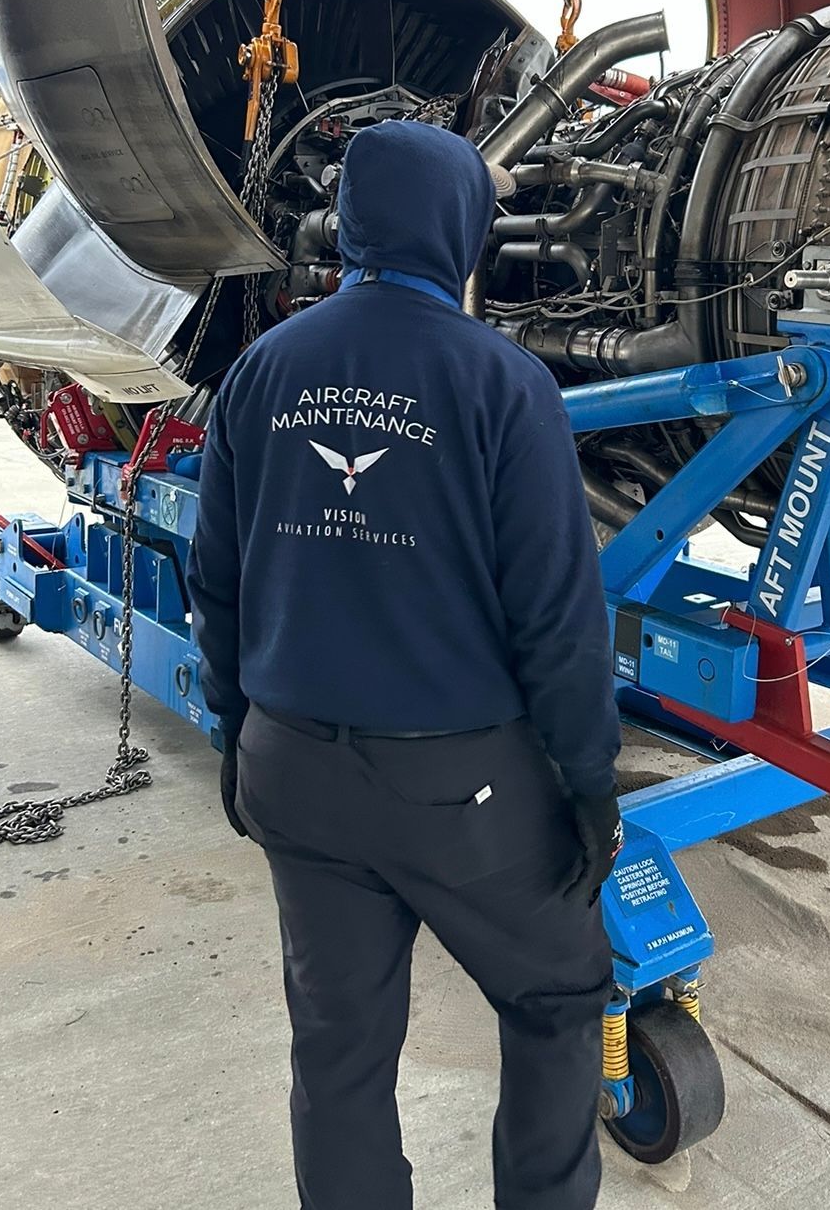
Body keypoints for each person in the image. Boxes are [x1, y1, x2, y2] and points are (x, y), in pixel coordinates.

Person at [188, 119, 622, 1210]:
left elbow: (218, 585)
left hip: (294, 769)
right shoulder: (503, 382)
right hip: (459, 789)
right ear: (462, 229)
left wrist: (238, 739)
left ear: (352, 226)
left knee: (337, 1053)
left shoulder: (261, 369)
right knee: (559, 1001)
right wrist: (588, 781)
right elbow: (558, 617)